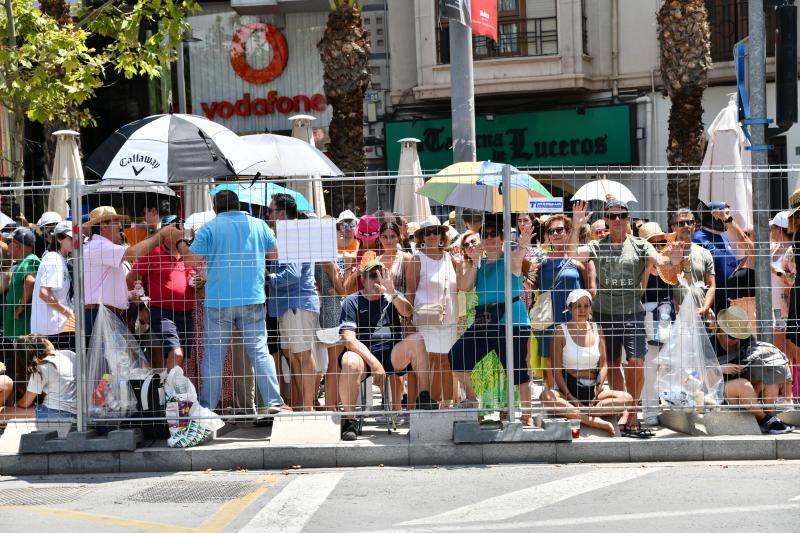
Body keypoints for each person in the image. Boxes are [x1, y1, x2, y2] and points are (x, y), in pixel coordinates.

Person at [567, 199, 684, 433]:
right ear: (606, 220)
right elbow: (572, 253)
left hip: (632, 313)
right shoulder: (597, 245)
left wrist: (674, 258)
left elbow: (660, 261)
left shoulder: (640, 245)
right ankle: (623, 412)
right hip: (604, 313)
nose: (617, 220)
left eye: (621, 215)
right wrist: (577, 224)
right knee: (611, 365)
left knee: (636, 363)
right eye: (611, 216)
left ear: (628, 218)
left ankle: (632, 411)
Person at [176, 190, 289, 414]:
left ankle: (208, 407)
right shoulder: (259, 225)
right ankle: (274, 402)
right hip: (252, 298)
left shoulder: (209, 228)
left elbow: (191, 261)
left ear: (216, 208)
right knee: (259, 351)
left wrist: (180, 242)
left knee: (214, 357)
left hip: (218, 300)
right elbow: (276, 255)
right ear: (239, 205)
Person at [449, 214, 535, 425]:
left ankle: (527, 415)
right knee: (456, 355)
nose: (490, 238)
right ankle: (472, 399)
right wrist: (475, 263)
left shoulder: (510, 257)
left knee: (519, 370)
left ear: (502, 236)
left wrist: (523, 244)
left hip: (512, 320)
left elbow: (517, 264)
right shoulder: (480, 263)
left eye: (494, 234)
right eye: (485, 235)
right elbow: (464, 286)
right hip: (485, 320)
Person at [338, 259, 414, 439]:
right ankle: (350, 420)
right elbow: (349, 339)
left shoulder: (391, 297)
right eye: (372, 276)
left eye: (381, 275)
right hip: (364, 357)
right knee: (348, 360)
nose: (377, 279)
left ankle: (425, 405)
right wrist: (374, 364)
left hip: (391, 353)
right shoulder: (351, 301)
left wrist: (393, 292)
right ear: (363, 280)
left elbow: (408, 312)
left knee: (418, 341)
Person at [540, 289, 634, 435]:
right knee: (546, 396)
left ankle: (581, 412)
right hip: (568, 391)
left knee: (627, 399)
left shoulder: (597, 329)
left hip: (593, 390)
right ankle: (592, 421)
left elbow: (603, 365)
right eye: (578, 306)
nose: (582, 310)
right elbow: (556, 371)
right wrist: (570, 396)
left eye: (586, 306)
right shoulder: (560, 332)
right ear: (570, 308)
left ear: (590, 308)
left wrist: (597, 390)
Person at [83, 206, 173, 340]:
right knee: (119, 360)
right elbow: (133, 253)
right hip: (101, 316)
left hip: (104, 314)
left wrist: (127, 295)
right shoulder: (99, 246)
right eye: (116, 222)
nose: (121, 227)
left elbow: (103, 285)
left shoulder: (99, 247)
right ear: (103, 226)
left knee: (122, 360)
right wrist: (160, 236)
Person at [267, 193, 321, 411]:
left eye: (270, 210)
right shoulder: (289, 234)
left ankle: (308, 408)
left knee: (302, 355)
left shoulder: (291, 235)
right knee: (294, 356)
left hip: (296, 304)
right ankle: (305, 406)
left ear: (281, 213)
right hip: (291, 304)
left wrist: (268, 277)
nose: (268, 214)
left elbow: (293, 274)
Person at [404, 215, 459, 407]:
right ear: (422, 237)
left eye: (436, 231)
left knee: (446, 362)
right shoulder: (416, 259)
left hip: (449, 319)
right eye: (428, 232)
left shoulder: (450, 257)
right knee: (429, 363)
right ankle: (429, 403)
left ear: (442, 234)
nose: (432, 236)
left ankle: (446, 404)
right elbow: (410, 293)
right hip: (426, 319)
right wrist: (409, 323)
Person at [128, 215, 196, 369]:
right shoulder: (154, 253)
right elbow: (130, 278)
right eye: (176, 229)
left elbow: (194, 279)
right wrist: (140, 307)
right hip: (162, 313)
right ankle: (170, 391)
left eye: (181, 229)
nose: (180, 233)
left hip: (186, 313)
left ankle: (169, 389)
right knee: (176, 354)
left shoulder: (187, 254)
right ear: (166, 232)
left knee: (179, 359)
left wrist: (198, 284)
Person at [713, 306, 794, 434]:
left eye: (739, 336)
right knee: (742, 384)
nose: (735, 341)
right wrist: (719, 369)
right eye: (731, 336)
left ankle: (770, 417)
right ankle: (764, 420)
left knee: (769, 380)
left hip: (746, 389)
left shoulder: (747, 339)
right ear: (720, 328)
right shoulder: (709, 342)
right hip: (718, 391)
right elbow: (695, 371)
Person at [536, 215, 586, 389]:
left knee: (573, 359)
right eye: (551, 231)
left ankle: (572, 397)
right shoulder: (540, 261)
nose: (555, 234)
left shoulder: (578, 260)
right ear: (547, 235)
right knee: (549, 360)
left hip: (572, 319)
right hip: (548, 318)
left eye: (559, 230)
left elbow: (587, 290)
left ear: (568, 232)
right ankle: (552, 398)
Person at [376, 222, 413, 412]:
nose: (389, 240)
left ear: (398, 237)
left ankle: (399, 406)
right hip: (382, 316)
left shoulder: (406, 258)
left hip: (402, 314)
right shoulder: (376, 260)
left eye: (392, 236)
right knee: (387, 360)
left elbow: (411, 291)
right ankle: (390, 402)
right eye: (385, 237)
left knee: (402, 365)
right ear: (380, 238)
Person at [693, 201, 754, 312]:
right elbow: (696, 275)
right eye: (725, 214)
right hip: (712, 303)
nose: (728, 217)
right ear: (715, 217)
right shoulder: (698, 239)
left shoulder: (723, 237)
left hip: (729, 301)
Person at [0, 335, 75, 421]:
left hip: (55, 413)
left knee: (3, 411)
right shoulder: (70, 354)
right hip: (79, 411)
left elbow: (25, 403)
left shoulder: (42, 367)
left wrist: (16, 405)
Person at [30, 221, 75, 350]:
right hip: (51, 331)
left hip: (56, 328)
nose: (75, 241)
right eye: (71, 238)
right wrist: (68, 313)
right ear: (60, 238)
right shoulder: (53, 259)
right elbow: (44, 294)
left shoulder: (59, 259)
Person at [664, 209, 716, 316]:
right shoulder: (666, 253)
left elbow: (711, 286)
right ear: (673, 227)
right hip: (676, 316)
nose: (686, 226)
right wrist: (675, 306)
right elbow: (663, 287)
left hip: (700, 315)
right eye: (681, 223)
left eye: (690, 222)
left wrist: (705, 308)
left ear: (694, 225)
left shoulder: (705, 253)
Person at [3, 228, 40, 340]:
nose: (7, 245)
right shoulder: (22, 262)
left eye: (9, 242)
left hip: (22, 324)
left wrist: (20, 307)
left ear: (17, 245)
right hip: (17, 324)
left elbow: (30, 281)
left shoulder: (30, 260)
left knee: (22, 354)